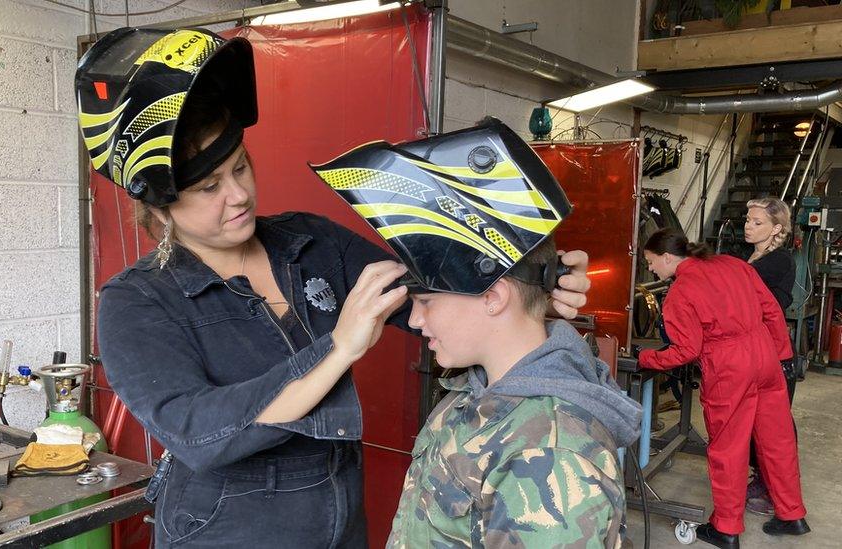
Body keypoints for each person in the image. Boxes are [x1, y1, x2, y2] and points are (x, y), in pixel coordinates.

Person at [76, 28, 593, 547]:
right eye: (209, 188)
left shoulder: (310, 241)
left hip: (340, 520)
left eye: (241, 168)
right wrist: (337, 349)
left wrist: (532, 280)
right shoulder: (136, 303)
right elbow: (197, 433)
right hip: (227, 531)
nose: (238, 196)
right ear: (161, 204)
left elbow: (430, 296)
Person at [311, 120, 642, 548]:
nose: (413, 320)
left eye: (426, 301)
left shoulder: (549, 454)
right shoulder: (478, 392)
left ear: (493, 297)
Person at [638, 228, 809, 549]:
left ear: (667, 257)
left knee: (728, 449)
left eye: (650, 262)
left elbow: (685, 352)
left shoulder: (680, 292)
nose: (650, 269)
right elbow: (771, 310)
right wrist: (782, 356)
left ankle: (727, 529)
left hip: (729, 368)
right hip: (766, 357)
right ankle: (792, 514)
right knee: (778, 440)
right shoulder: (733, 264)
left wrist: (645, 357)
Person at [741, 197, 797, 516]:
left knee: (772, 428)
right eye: (748, 220)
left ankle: (773, 489)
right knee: (753, 423)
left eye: (757, 222)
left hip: (774, 356)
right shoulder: (754, 257)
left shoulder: (778, 261)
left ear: (776, 228)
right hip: (755, 353)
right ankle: (762, 480)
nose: (749, 225)